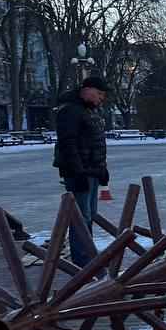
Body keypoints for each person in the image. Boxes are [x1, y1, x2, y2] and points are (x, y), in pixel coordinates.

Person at [53, 75, 110, 267]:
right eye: (99, 93)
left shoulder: (89, 110)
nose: (101, 98)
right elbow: (68, 144)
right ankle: (83, 262)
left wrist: (102, 169)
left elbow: (95, 142)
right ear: (87, 89)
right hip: (80, 172)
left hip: (91, 170)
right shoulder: (70, 110)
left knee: (89, 215)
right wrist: (77, 173)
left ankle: (88, 255)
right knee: (81, 217)